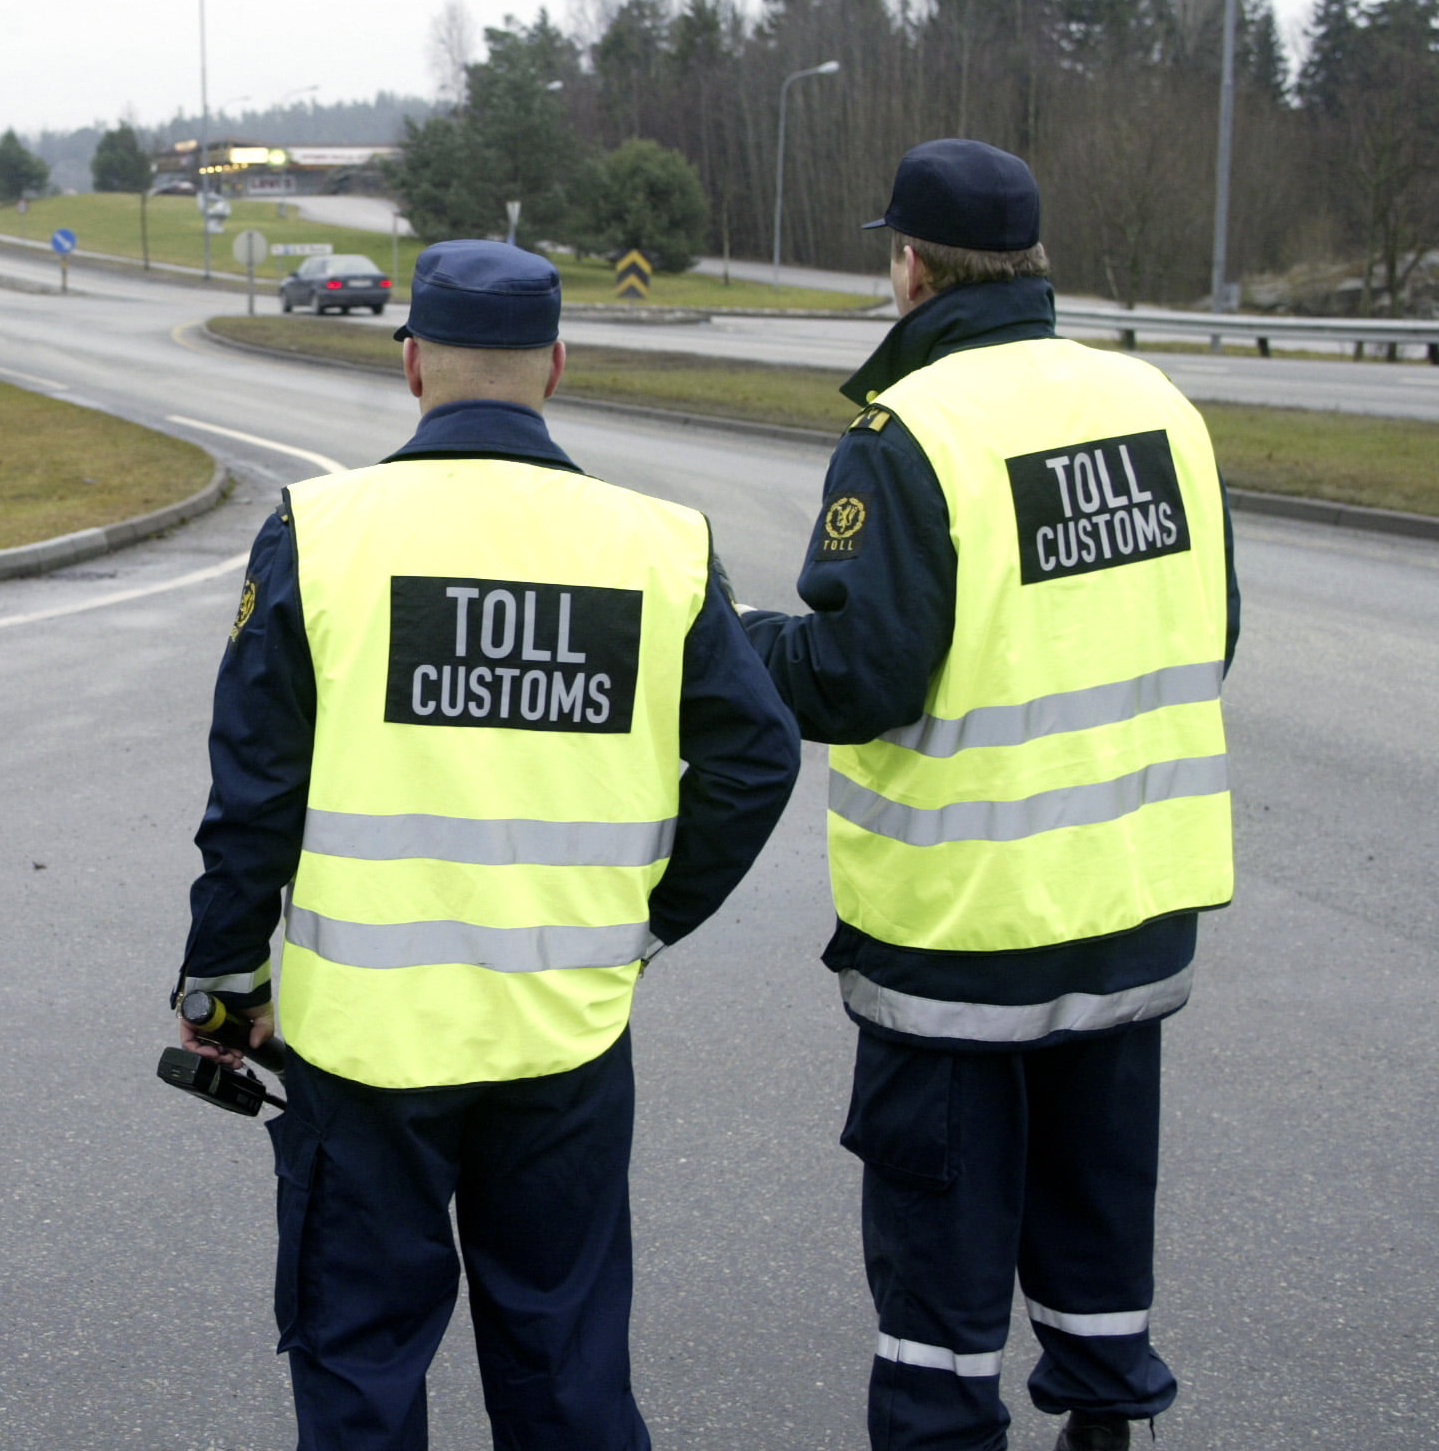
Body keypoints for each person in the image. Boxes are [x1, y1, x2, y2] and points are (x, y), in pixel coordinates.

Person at [177, 239, 802, 1450]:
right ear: (555, 366)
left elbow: (254, 789)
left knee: (359, 1361)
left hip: (363, 1040)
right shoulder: (658, 543)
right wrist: (651, 922)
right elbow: (755, 759)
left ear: (412, 363)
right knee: (562, 1366)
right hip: (563, 1029)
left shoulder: (321, 530)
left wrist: (221, 978)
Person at [739, 139, 1239, 1451]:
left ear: (910, 265)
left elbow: (856, 676)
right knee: (1097, 1226)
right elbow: (1211, 630)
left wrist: (734, 644)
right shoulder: (1157, 407)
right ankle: (1108, 1425)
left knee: (941, 1280)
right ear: (1032, 260)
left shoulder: (912, 432)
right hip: (1129, 914)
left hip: (963, 936)